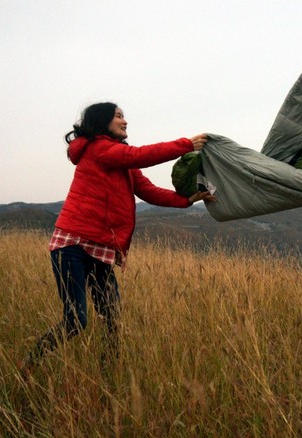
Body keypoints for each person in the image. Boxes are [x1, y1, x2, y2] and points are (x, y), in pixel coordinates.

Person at [25, 102, 214, 367]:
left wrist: (187, 200)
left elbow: (148, 191)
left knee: (112, 317)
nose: (125, 121)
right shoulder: (99, 150)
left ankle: (108, 374)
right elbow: (142, 155)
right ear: (103, 122)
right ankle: (30, 363)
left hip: (99, 248)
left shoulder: (119, 159)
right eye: (118, 116)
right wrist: (185, 145)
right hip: (72, 246)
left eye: (124, 116)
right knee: (76, 321)